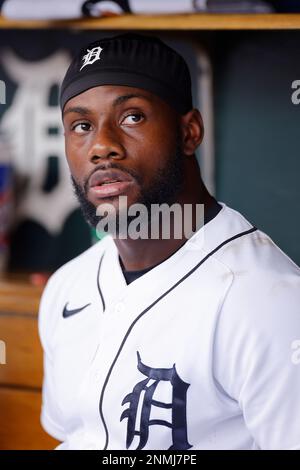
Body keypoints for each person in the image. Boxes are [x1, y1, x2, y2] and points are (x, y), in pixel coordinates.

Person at [39, 33, 300, 450]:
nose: (101, 146)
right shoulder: (67, 287)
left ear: (189, 132)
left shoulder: (267, 301)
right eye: (82, 126)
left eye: (132, 117)